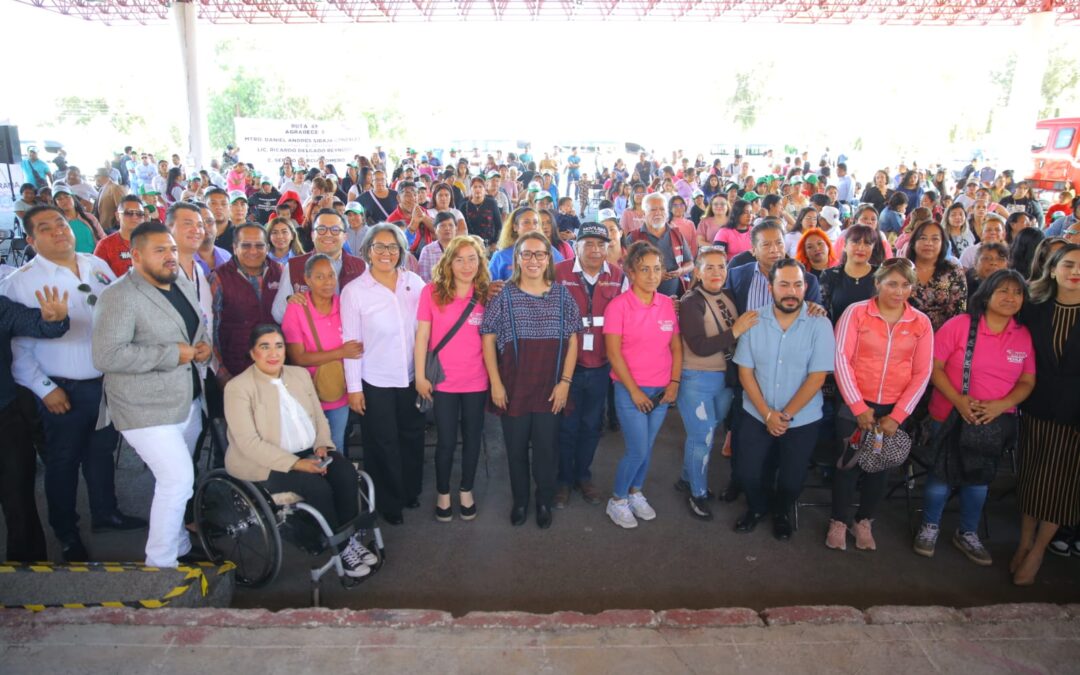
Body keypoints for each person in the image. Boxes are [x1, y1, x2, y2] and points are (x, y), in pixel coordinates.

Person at [0, 205, 145, 563]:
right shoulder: (20, 282)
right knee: (63, 463)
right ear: (31, 240)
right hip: (61, 389)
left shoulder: (94, 264)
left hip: (105, 381)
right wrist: (45, 387)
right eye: (46, 228)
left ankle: (106, 513)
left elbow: (115, 309)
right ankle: (66, 533)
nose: (58, 231)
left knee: (100, 454)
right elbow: (18, 347)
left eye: (61, 223)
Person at [92, 221, 211, 568]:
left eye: (172, 249)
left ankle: (180, 545)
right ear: (136, 254)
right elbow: (107, 356)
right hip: (142, 407)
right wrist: (173, 353)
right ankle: (160, 566)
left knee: (177, 480)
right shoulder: (119, 295)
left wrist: (203, 348)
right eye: (160, 250)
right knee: (177, 480)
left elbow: (199, 327)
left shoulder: (183, 283)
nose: (170, 256)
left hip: (185, 400)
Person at [223, 324, 377, 578]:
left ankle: (348, 540)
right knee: (317, 487)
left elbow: (318, 416)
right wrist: (296, 464)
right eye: (265, 347)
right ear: (252, 353)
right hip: (267, 463)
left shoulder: (299, 375)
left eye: (279, 346)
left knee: (346, 474)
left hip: (310, 451)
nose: (273, 353)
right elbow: (248, 442)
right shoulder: (239, 388)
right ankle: (341, 547)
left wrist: (322, 445)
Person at [915, 270, 1034, 565]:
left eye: (1017, 292)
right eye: (1003, 291)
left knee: (978, 481)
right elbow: (934, 367)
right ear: (987, 294)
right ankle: (929, 526)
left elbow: (1027, 381)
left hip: (992, 421)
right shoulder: (960, 325)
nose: (1010, 298)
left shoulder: (1022, 334)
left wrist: (1000, 405)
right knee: (940, 476)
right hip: (949, 414)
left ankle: (967, 532)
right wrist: (958, 400)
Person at [829, 258, 933, 551]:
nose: (898, 291)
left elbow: (922, 372)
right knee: (846, 465)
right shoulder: (856, 313)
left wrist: (898, 416)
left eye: (905, 284)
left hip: (892, 409)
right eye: (891, 283)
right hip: (854, 403)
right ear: (878, 283)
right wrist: (858, 407)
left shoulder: (920, 323)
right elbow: (841, 359)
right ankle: (838, 520)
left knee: (880, 468)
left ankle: (864, 521)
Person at [481, 232, 580, 529]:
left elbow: (573, 341)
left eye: (540, 254)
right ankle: (521, 500)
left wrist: (565, 383)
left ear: (548, 259)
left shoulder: (562, 295)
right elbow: (488, 339)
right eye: (527, 254)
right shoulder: (504, 296)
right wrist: (496, 384)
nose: (533, 260)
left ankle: (543, 501)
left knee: (547, 450)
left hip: (551, 387)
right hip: (514, 387)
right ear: (517, 259)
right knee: (515, 449)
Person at [731, 258, 833, 539]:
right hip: (756, 412)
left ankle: (781, 511)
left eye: (798, 285)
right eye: (784, 284)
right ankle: (757, 508)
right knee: (748, 473)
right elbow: (745, 373)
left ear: (805, 287)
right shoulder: (754, 320)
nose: (791, 291)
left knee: (792, 479)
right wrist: (767, 414)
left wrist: (784, 416)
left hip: (802, 418)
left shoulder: (820, 324)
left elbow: (817, 378)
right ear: (770, 287)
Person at [341, 224, 425, 526]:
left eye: (392, 247)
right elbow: (350, 344)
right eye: (379, 246)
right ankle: (389, 501)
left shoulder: (414, 282)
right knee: (382, 442)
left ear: (401, 251)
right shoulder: (354, 292)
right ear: (367, 251)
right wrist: (354, 388)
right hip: (374, 380)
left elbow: (426, 329)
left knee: (412, 436)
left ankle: (410, 490)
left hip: (411, 377)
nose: (386, 253)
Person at [1012, 244, 1080, 585]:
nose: (1074, 272)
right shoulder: (1034, 308)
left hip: (1075, 415)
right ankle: (1023, 542)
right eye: (1067, 264)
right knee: (1032, 474)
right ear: (1052, 269)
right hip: (1035, 405)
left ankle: (1039, 548)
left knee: (1062, 483)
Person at [603, 241, 681, 529]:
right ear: (631, 273)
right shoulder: (618, 307)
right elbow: (613, 353)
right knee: (637, 449)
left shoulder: (666, 304)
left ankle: (636, 492)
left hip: (660, 391)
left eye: (657, 269)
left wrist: (674, 382)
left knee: (646, 447)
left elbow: (676, 347)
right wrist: (634, 390)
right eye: (644, 269)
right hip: (629, 390)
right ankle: (618, 499)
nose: (652, 275)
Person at [676, 246, 757, 521]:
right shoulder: (690, 302)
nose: (716, 272)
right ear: (697, 271)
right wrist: (735, 331)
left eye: (721, 267)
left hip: (725, 379)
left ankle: (687, 478)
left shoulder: (729, 295)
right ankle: (697, 493)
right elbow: (699, 346)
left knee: (704, 435)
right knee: (703, 439)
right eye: (708, 267)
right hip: (696, 378)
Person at [415, 236, 490, 522]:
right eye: (459, 259)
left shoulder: (485, 293)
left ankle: (466, 489)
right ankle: (443, 492)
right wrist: (420, 376)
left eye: (472, 258)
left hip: (476, 381)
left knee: (473, 439)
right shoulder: (431, 293)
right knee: (446, 441)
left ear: (480, 262)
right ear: (448, 262)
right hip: (442, 382)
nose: (466, 265)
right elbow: (422, 336)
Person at [553, 223, 626, 508]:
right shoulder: (558, 274)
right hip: (567, 367)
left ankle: (583, 475)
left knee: (591, 425)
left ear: (608, 248)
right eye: (589, 244)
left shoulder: (618, 277)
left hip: (600, 366)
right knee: (566, 426)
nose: (595, 250)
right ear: (577, 247)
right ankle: (562, 479)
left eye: (601, 244)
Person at [0, 286, 70, 561]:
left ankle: (28, 569)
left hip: (5, 417)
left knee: (18, 496)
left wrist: (53, 320)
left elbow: (37, 324)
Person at [281, 254, 360, 456]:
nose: (327, 282)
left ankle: (339, 486)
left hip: (338, 391)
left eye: (331, 276)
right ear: (307, 280)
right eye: (319, 277)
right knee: (309, 447)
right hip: (307, 393)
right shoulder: (296, 308)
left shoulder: (345, 305)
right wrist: (340, 353)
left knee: (337, 445)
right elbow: (298, 357)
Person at [271, 210, 366, 323]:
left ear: (345, 237)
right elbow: (278, 314)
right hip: (308, 337)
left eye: (335, 230)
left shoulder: (361, 267)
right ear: (312, 235)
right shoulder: (294, 266)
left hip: (350, 337)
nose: (328, 234)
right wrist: (292, 304)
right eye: (321, 229)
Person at [726, 220, 823, 314]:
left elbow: (815, 318)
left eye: (779, 243)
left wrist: (817, 309)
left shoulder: (808, 281)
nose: (774, 249)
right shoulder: (736, 276)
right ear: (754, 250)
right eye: (766, 244)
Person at [625, 192, 692, 298]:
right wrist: (655, 275)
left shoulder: (677, 234)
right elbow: (627, 271)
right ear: (644, 213)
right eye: (653, 210)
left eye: (662, 209)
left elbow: (690, 263)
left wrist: (681, 271)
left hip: (675, 299)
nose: (658, 213)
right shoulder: (633, 238)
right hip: (644, 299)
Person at [906, 220, 968, 331]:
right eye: (923, 238)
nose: (928, 243)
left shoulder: (953, 270)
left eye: (935, 239)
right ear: (913, 243)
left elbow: (958, 310)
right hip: (903, 333)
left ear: (943, 244)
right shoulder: (902, 269)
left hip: (943, 336)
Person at [819, 225, 878, 324]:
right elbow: (822, 310)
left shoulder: (882, 275)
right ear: (845, 246)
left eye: (867, 243)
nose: (861, 247)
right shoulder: (830, 275)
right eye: (855, 242)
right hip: (837, 335)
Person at [487, 207, 564, 281]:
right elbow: (488, 285)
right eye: (526, 222)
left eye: (535, 222)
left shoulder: (551, 251)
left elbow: (563, 277)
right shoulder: (501, 256)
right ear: (515, 227)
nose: (532, 227)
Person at [94, 195, 146, 277]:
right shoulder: (105, 246)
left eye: (139, 213)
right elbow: (97, 277)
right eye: (128, 213)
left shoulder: (152, 242)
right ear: (118, 216)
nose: (135, 217)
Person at [53, 185, 104, 252]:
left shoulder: (89, 217)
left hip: (96, 256)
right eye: (59, 199)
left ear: (73, 199)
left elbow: (102, 237)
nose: (64, 201)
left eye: (67, 197)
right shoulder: (58, 224)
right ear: (56, 204)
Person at [417, 212, 458, 283]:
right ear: (435, 229)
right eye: (442, 225)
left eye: (451, 225)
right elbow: (423, 279)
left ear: (456, 228)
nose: (447, 228)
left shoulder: (462, 248)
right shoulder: (427, 250)